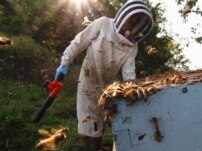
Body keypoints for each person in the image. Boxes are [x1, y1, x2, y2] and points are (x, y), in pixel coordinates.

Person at [54, 0, 153, 150]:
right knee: (90, 125)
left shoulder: (132, 46)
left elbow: (129, 73)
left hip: (106, 87)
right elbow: (79, 42)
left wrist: (131, 90)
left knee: (101, 123)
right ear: (124, 15)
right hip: (87, 82)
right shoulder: (103, 23)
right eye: (131, 20)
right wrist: (65, 63)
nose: (131, 26)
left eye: (136, 23)